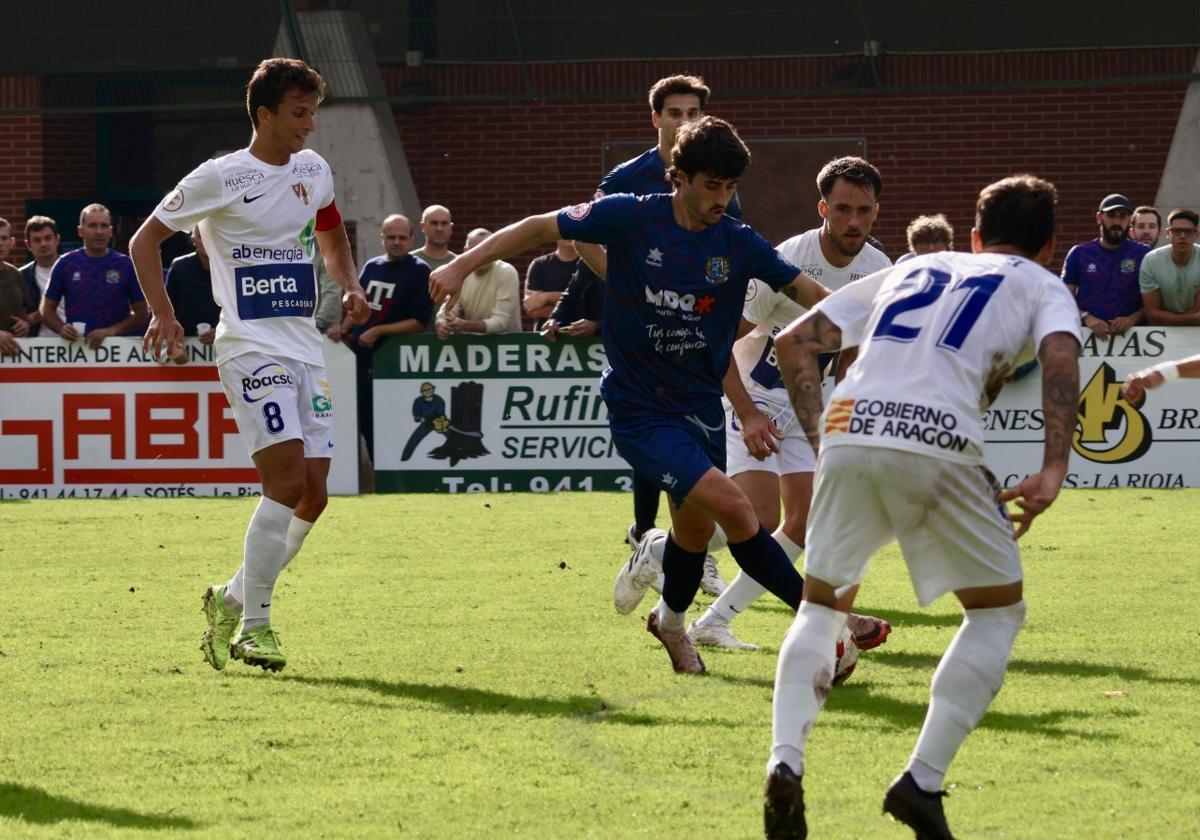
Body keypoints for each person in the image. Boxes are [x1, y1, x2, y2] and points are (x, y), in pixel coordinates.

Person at [431, 116, 832, 676]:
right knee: (741, 512)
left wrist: (862, 322)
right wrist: (460, 263)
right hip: (641, 408)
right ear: (679, 178)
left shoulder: (736, 242)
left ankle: (670, 624)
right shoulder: (632, 215)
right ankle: (825, 631)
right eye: (711, 185)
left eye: (730, 187)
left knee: (692, 539)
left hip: (699, 407)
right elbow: (540, 226)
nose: (722, 199)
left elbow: (804, 289)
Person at [763, 174, 1081, 840]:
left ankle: (785, 761)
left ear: (972, 234)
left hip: (852, 427)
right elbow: (1058, 354)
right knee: (996, 613)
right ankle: (921, 782)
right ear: (1050, 247)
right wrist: (1054, 466)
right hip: (939, 439)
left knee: (822, 607)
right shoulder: (1043, 284)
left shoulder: (917, 267)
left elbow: (793, 339)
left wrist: (830, 439)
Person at [129, 57, 369, 673]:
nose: (309, 125)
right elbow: (144, 241)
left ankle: (230, 599)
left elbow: (332, 229)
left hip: (304, 348)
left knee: (315, 495)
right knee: (286, 483)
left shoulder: (313, 170)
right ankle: (254, 627)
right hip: (249, 346)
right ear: (263, 115)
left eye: (313, 112)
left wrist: (347, 281)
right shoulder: (220, 176)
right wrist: (163, 314)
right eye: (298, 113)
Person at [687, 157, 892, 651]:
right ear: (822, 207)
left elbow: (852, 353)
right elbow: (718, 345)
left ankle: (711, 622)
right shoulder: (785, 263)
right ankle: (662, 548)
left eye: (863, 211)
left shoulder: (879, 270)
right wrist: (750, 412)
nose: (853, 221)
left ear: (876, 213)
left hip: (808, 408)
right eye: (842, 209)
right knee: (758, 521)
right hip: (753, 397)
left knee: (801, 523)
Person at [586, 74, 741, 559]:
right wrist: (629, 283)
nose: (684, 121)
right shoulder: (625, 179)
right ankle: (645, 529)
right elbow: (581, 236)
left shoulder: (718, 180)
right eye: (675, 113)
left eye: (693, 113)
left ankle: (674, 544)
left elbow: (730, 246)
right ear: (656, 118)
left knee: (687, 424)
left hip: (694, 319)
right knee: (653, 415)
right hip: (642, 323)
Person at [329, 213, 432, 461]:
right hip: (362, 359)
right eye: (391, 237)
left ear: (411, 239)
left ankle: (392, 477)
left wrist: (378, 331)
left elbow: (419, 322)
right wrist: (343, 328)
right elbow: (358, 306)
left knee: (388, 422)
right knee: (363, 420)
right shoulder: (372, 267)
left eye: (402, 238)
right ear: (382, 238)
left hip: (394, 361)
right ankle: (375, 476)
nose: (397, 242)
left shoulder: (419, 271)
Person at [39, 204, 148, 348]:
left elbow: (142, 312)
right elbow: (46, 309)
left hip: (118, 351)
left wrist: (112, 331)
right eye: (92, 226)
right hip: (77, 350)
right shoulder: (66, 263)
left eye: (104, 226)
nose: (99, 231)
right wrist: (61, 328)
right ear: (80, 231)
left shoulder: (126, 265)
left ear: (110, 231)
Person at [1061, 193, 1148, 339]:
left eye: (1122, 216)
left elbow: (1157, 301)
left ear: (1129, 220)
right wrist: (1086, 317)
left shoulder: (1144, 254)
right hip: (1087, 338)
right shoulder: (1079, 253)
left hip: (1135, 339)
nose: (1117, 222)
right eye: (1111, 215)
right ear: (1099, 218)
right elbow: (1063, 297)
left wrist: (1132, 319)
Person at [434, 228, 521, 337]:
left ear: (496, 249)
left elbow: (500, 322)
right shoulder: (460, 274)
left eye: (487, 248)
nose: (482, 255)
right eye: (476, 249)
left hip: (509, 348)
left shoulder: (507, 272)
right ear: (466, 251)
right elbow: (446, 312)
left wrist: (465, 325)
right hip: (474, 347)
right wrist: (441, 323)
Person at [165, 228, 221, 357]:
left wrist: (221, 331)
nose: (208, 241)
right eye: (202, 236)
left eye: (212, 235)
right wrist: (172, 341)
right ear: (193, 240)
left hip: (227, 343)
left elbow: (247, 311)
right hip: (184, 346)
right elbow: (166, 309)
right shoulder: (179, 267)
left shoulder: (232, 266)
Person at [1139, 208, 1200, 325]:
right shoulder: (1151, 261)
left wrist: (1168, 319)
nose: (1182, 236)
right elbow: (1152, 313)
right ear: (1168, 233)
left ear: (1197, 235)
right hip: (1162, 331)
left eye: (1188, 231)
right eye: (1177, 231)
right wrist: (1190, 319)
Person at [19, 215, 62, 335]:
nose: (43, 244)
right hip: (36, 346)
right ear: (28, 245)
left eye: (48, 238)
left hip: (76, 343)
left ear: (57, 240)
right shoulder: (20, 276)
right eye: (37, 240)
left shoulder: (73, 269)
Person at [523, 240, 577, 331]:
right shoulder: (539, 264)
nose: (568, 233)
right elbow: (532, 309)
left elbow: (591, 306)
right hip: (545, 336)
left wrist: (546, 297)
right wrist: (575, 310)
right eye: (564, 227)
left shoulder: (589, 265)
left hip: (582, 336)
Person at [0, 240, 30, 356]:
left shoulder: (15, 274)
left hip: (14, 356)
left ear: (11, 242)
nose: (0, 243)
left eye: (4, 238)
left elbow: (24, 314)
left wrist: (25, 325)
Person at [413, 205, 456, 270]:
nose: (439, 228)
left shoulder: (459, 264)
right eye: (434, 223)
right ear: (422, 227)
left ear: (451, 228)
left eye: (444, 223)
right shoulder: (408, 262)